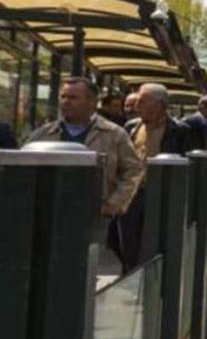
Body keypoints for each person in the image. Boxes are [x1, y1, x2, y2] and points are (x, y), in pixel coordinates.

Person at [23, 78, 144, 239]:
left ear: (92, 102)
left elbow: (133, 170)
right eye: (63, 96)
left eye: (73, 98)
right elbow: (22, 168)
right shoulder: (44, 133)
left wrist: (114, 204)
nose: (66, 102)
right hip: (47, 215)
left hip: (93, 217)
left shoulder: (114, 134)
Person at [115, 83, 196, 270]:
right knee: (128, 242)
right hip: (132, 194)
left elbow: (189, 165)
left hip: (162, 194)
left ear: (160, 104)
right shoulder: (131, 127)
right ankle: (129, 276)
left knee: (157, 243)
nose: (137, 106)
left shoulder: (180, 130)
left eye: (143, 101)